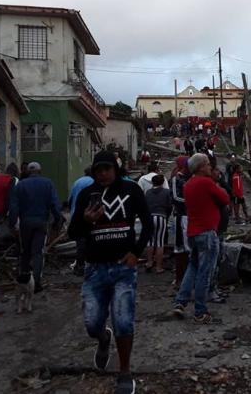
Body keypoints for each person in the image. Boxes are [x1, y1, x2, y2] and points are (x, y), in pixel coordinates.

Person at [68, 151, 153, 394]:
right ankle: (102, 339)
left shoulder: (132, 190)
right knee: (91, 323)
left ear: (115, 169)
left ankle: (124, 372)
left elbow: (147, 224)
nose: (103, 173)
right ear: (94, 172)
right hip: (95, 269)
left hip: (123, 268)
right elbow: (74, 232)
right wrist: (85, 220)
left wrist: (136, 252)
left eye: (107, 168)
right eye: (98, 170)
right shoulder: (86, 194)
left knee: (123, 321)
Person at [172, 154, 229, 323]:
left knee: (193, 267)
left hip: (193, 232)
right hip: (207, 232)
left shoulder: (189, 184)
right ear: (201, 166)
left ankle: (180, 302)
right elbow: (225, 198)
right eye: (207, 164)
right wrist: (221, 189)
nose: (210, 167)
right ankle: (200, 311)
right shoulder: (206, 182)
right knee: (205, 271)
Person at [8, 162, 62, 292]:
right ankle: (36, 282)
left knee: (25, 252)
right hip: (41, 222)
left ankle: (25, 280)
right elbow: (54, 203)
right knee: (38, 253)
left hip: (25, 223)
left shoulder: (20, 185)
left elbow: (14, 206)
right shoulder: (48, 183)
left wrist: (12, 223)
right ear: (40, 170)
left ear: (27, 171)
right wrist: (58, 218)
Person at [209, 167, 230, 304]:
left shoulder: (219, 186)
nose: (219, 173)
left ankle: (215, 287)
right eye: (216, 171)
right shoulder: (211, 189)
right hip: (214, 231)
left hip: (220, 230)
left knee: (218, 260)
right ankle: (211, 290)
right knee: (213, 262)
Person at [69, 168, 94, 276]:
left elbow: (70, 199)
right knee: (90, 240)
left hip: (76, 214)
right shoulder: (93, 182)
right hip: (89, 214)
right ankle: (89, 264)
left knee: (80, 241)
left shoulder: (77, 181)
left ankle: (79, 265)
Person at [145, 174, 172, 273]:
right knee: (160, 242)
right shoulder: (166, 192)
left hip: (150, 217)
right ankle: (158, 267)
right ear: (162, 182)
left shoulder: (148, 192)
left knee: (150, 241)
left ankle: (149, 262)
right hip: (161, 216)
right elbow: (169, 206)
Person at [170, 156, 190, 287]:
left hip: (190, 216)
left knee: (190, 248)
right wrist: (192, 203)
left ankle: (188, 278)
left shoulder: (189, 178)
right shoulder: (176, 178)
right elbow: (175, 197)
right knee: (180, 247)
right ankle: (179, 278)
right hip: (180, 217)